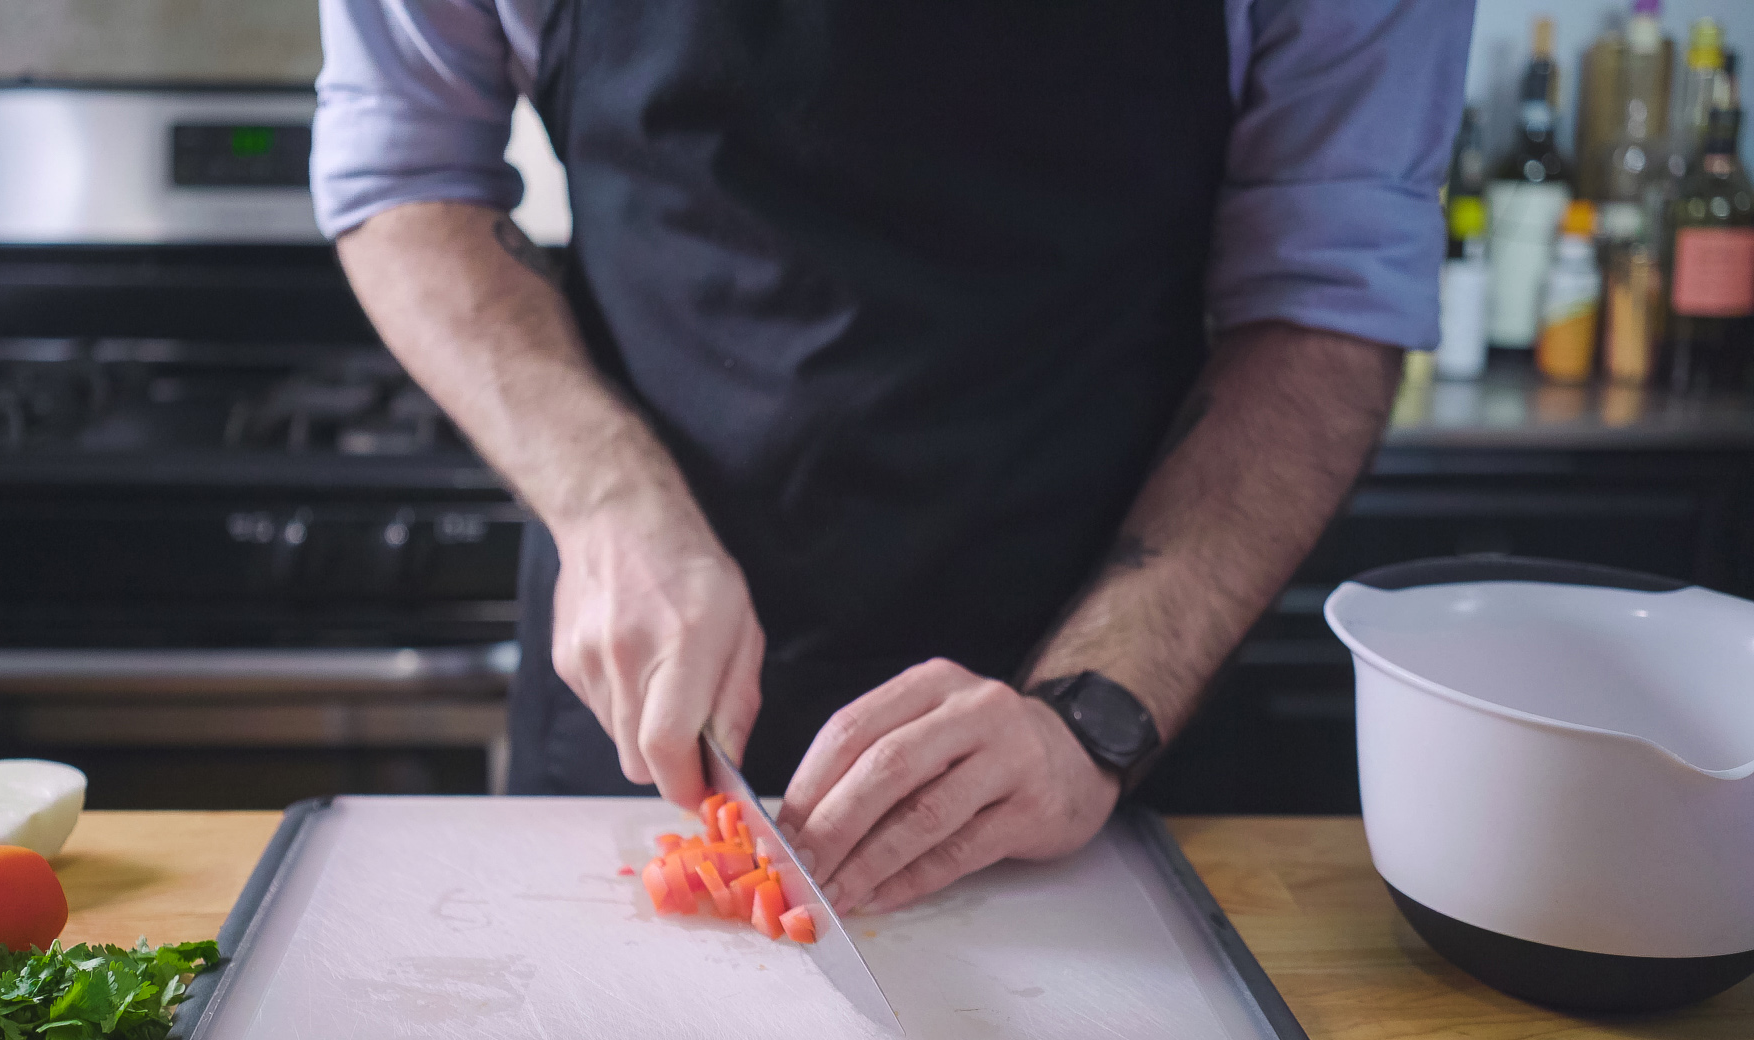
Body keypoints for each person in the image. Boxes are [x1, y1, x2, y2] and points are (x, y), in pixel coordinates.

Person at [314, 0, 1475, 915]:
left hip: (1095, 698)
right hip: (651, 687)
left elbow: (1328, 296)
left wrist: (1092, 714)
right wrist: (604, 499)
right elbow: (405, 169)